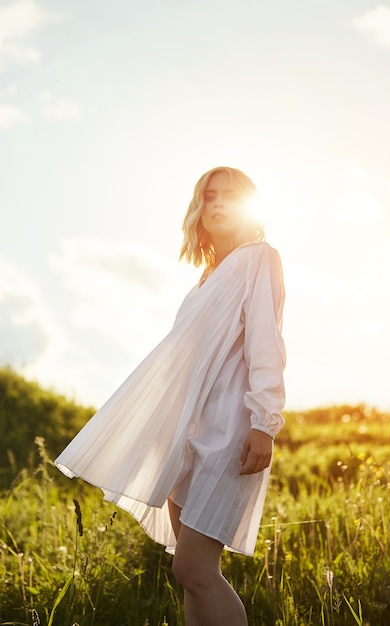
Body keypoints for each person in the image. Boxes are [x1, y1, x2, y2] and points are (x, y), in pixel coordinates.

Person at [55, 166, 286, 626]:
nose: (217, 203)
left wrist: (265, 423)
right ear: (198, 210)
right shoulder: (200, 283)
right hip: (188, 439)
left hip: (231, 434)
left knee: (193, 567)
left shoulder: (260, 258)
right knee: (191, 574)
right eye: (209, 196)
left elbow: (266, 343)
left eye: (230, 196)